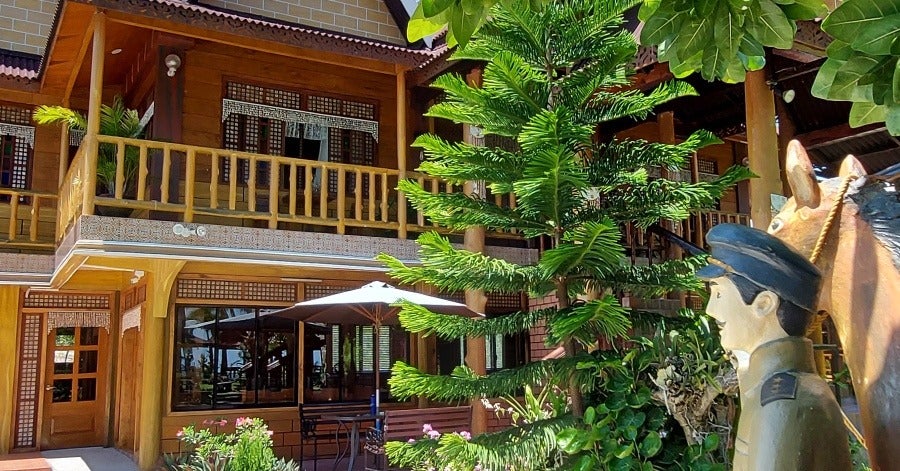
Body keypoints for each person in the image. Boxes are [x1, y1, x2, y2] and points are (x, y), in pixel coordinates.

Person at [697, 223, 851, 470]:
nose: (709, 310)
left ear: (764, 303)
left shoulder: (781, 403)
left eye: (718, 294)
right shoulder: (775, 387)